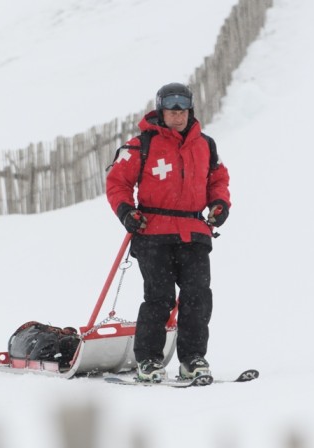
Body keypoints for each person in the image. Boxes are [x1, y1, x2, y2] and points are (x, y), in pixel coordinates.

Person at [106, 82, 231, 382]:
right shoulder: (141, 145)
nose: (177, 115)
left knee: (197, 297)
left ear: (190, 111)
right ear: (161, 112)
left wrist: (219, 204)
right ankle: (148, 359)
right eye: (171, 110)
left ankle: (192, 359)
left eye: (183, 110)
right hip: (153, 234)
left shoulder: (206, 145)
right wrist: (127, 211)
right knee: (159, 298)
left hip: (194, 233)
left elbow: (218, 180)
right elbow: (117, 181)